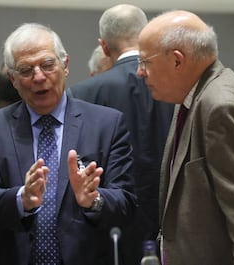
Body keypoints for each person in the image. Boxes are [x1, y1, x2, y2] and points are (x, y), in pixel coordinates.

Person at [0, 22, 136, 265]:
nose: (38, 77)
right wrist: (22, 199)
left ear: (65, 65)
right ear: (13, 79)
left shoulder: (107, 124)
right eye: (26, 70)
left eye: (48, 65)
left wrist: (94, 199)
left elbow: (127, 203)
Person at [137, 10, 234, 265]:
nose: (140, 72)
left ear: (177, 61)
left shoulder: (221, 105)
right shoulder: (194, 96)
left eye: (145, 62)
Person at [68, 4, 174, 264]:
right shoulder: (176, 84)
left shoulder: (81, 94)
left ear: (103, 46)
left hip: (108, 230)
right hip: (174, 224)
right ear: (146, 35)